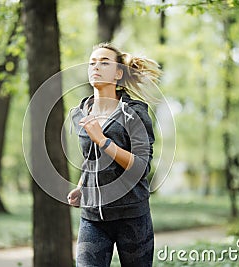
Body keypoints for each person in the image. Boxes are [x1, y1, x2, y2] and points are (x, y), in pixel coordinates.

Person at [67, 43, 162, 267]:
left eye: (104, 62)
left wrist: (103, 140)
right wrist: (82, 185)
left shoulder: (135, 113)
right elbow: (91, 160)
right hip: (93, 218)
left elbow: (141, 167)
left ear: (118, 73)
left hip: (132, 216)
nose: (95, 67)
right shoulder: (79, 114)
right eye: (92, 63)